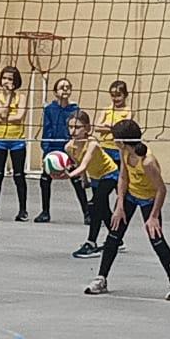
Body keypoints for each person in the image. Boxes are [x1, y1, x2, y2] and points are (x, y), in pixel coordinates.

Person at [84, 119, 170, 301]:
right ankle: (101, 278)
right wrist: (120, 204)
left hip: (149, 200)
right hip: (129, 195)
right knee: (113, 236)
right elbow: (123, 176)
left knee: (156, 238)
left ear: (121, 141)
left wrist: (153, 216)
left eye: (115, 139)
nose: (113, 141)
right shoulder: (124, 152)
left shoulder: (147, 162)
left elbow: (162, 189)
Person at [62, 109, 117, 260]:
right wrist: (84, 180)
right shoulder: (69, 147)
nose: (73, 130)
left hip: (110, 174)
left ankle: (91, 243)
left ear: (87, 128)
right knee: (104, 208)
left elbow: (84, 164)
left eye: (77, 127)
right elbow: (79, 163)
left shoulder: (92, 143)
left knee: (94, 205)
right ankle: (117, 239)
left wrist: (68, 175)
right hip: (95, 178)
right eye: (71, 127)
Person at [0, 64, 29, 222]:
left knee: (19, 175)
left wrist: (1, 120)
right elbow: (3, 111)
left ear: (16, 81)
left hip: (17, 139)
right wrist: (8, 98)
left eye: (10, 79)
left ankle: (23, 210)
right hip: (0, 140)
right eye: (4, 78)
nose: (6, 82)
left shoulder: (22, 97)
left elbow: (19, 117)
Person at [37, 77, 79, 225]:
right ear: (55, 92)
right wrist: (46, 151)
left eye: (68, 87)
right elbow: (46, 130)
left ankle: (87, 212)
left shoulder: (75, 109)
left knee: (76, 180)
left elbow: (77, 130)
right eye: (62, 87)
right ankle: (45, 212)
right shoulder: (49, 109)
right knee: (45, 181)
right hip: (53, 150)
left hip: (69, 150)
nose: (65, 89)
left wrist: (74, 152)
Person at [99, 80, 135, 170]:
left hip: (119, 148)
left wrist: (108, 126)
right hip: (104, 146)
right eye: (113, 95)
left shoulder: (128, 111)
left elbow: (124, 129)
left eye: (118, 95)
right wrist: (114, 127)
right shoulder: (106, 110)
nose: (115, 98)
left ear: (125, 95)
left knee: (119, 172)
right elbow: (96, 127)